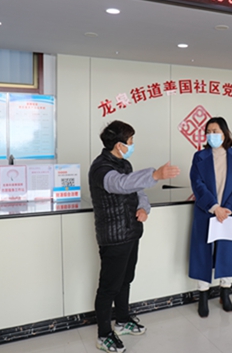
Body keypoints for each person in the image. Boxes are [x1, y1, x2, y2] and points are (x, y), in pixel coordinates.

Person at [89, 120, 180, 353]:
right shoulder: (100, 168)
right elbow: (121, 184)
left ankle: (122, 320)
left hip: (131, 232)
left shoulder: (125, 163)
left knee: (125, 279)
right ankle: (104, 334)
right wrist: (155, 174)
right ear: (119, 145)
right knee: (108, 287)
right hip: (114, 237)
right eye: (130, 141)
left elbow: (138, 191)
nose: (132, 145)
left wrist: (143, 208)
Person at [189, 117, 232, 318]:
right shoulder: (200, 157)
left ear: (225, 133)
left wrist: (228, 208)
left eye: (215, 131)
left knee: (227, 252)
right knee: (202, 252)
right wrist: (214, 207)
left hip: (229, 213)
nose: (211, 135)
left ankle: (225, 291)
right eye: (208, 131)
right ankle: (203, 294)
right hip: (207, 211)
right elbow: (197, 184)